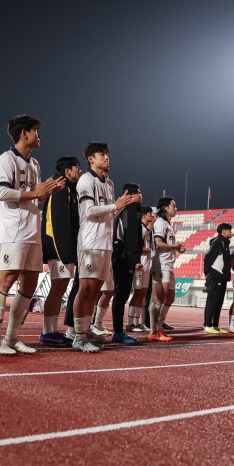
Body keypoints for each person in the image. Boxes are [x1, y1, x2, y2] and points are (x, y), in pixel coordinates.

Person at [0, 115, 64, 355]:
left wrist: (47, 192)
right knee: (7, 280)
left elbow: (34, 197)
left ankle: (11, 338)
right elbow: (2, 193)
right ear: (24, 133)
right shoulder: (5, 159)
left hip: (32, 230)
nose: (39, 136)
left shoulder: (35, 164)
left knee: (30, 283)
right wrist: (35, 193)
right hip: (13, 231)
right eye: (35, 131)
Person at [72, 142, 138, 353]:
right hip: (90, 242)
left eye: (107, 154)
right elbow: (89, 210)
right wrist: (115, 205)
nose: (107, 157)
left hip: (105, 243)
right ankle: (78, 336)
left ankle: (86, 330)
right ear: (91, 159)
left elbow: (110, 213)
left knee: (95, 291)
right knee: (85, 289)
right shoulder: (86, 179)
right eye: (102, 154)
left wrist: (119, 207)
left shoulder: (109, 183)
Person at [39, 156, 81, 345]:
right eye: (77, 167)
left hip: (64, 248)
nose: (80, 170)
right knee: (57, 287)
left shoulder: (69, 189)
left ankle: (52, 330)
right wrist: (64, 252)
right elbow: (56, 222)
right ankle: (47, 331)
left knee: (61, 287)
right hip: (58, 248)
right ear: (67, 171)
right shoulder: (58, 188)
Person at [109, 183, 145, 344]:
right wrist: (135, 259)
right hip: (123, 256)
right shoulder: (129, 210)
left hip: (123, 255)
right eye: (139, 193)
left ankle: (118, 331)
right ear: (131, 196)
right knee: (121, 294)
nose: (141, 196)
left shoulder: (131, 211)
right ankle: (117, 332)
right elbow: (130, 235)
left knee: (122, 294)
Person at [150, 197, 185, 341]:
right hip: (160, 264)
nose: (176, 209)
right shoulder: (160, 222)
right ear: (165, 208)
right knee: (158, 298)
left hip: (168, 265)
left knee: (169, 297)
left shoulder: (168, 224)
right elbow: (158, 243)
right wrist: (174, 247)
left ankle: (159, 326)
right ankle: (154, 331)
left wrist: (177, 248)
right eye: (173, 206)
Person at [127, 207, 155, 332]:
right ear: (144, 215)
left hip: (146, 266)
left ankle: (137, 322)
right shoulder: (141, 229)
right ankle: (130, 323)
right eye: (150, 214)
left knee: (142, 294)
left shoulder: (146, 230)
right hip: (140, 267)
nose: (152, 216)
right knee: (137, 293)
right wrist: (152, 250)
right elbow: (138, 247)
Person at [203, 223, 232, 334]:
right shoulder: (218, 242)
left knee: (219, 302)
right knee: (213, 301)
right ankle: (207, 325)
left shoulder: (225, 243)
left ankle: (215, 325)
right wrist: (207, 272)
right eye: (229, 230)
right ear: (223, 231)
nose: (231, 232)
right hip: (216, 275)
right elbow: (208, 257)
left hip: (223, 276)